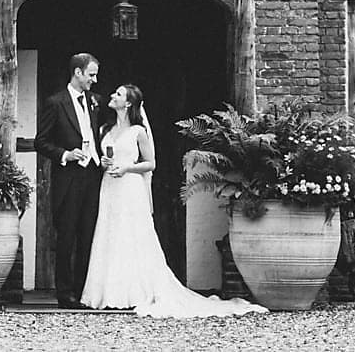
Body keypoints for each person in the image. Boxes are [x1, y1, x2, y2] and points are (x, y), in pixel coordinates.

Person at [81, 84, 264, 318]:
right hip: (109, 186)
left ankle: (134, 291)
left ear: (128, 103)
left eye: (118, 94)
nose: (112, 96)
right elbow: (104, 157)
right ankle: (107, 292)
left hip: (129, 186)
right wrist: (107, 164)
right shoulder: (106, 129)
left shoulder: (138, 131)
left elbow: (150, 163)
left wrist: (127, 167)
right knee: (109, 232)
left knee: (132, 234)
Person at [35, 52, 104, 308]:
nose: (94, 80)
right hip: (69, 178)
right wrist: (65, 154)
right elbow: (40, 141)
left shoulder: (96, 101)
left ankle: (83, 291)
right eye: (91, 75)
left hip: (93, 175)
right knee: (66, 237)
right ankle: (64, 294)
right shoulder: (55, 103)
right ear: (77, 73)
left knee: (88, 236)